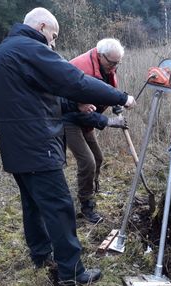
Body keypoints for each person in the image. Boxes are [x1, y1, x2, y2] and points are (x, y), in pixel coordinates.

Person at [0, 7, 136, 286]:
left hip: (16, 145)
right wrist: (121, 96)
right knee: (59, 207)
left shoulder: (4, 52)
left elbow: (35, 98)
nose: (53, 43)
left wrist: (73, 105)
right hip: (37, 144)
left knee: (32, 204)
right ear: (42, 26)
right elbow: (74, 80)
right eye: (53, 35)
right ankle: (71, 273)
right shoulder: (30, 49)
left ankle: (41, 255)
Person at [64, 39, 127, 224]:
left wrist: (116, 101)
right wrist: (108, 121)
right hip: (69, 120)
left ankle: (92, 190)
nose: (114, 67)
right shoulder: (81, 70)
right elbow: (76, 110)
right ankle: (86, 205)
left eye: (118, 63)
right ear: (100, 56)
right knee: (88, 162)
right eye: (112, 63)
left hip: (86, 120)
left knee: (98, 158)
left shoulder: (106, 66)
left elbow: (105, 90)